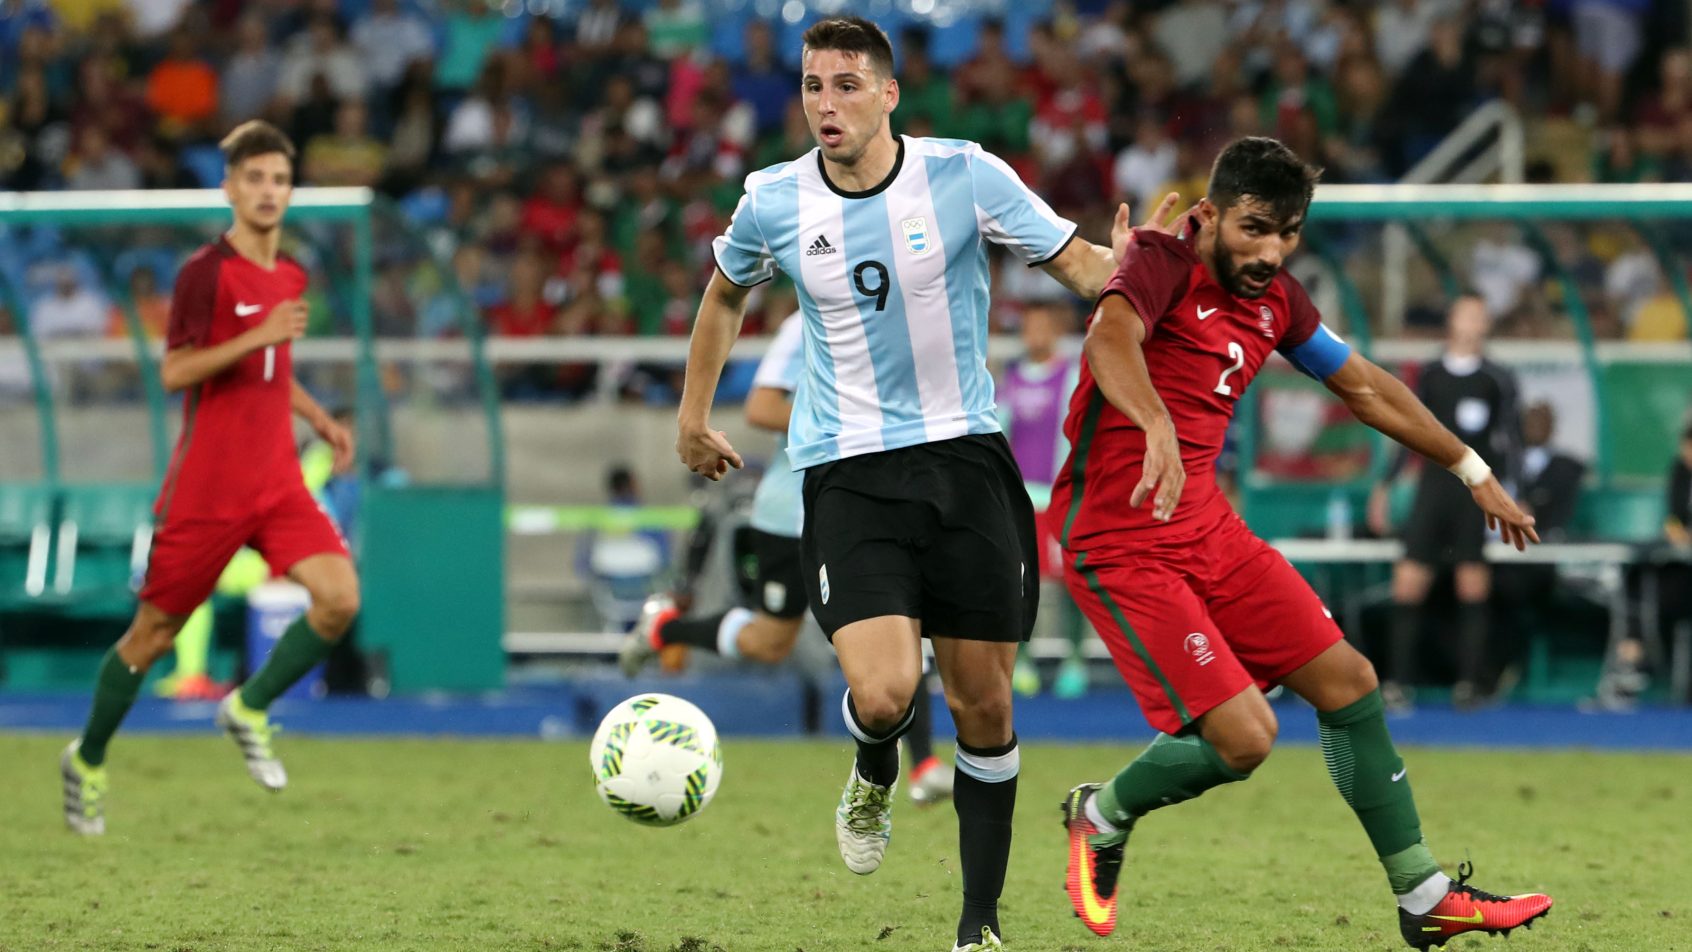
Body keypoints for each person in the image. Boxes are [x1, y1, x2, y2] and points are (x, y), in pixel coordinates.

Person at [671, 17, 1149, 952]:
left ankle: (979, 927)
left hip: (967, 463)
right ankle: (874, 767)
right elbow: (726, 291)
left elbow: (1081, 267)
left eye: (846, 85)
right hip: (848, 475)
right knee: (887, 692)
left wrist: (1139, 265)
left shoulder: (965, 174)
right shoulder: (773, 199)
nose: (825, 105)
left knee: (985, 707)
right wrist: (693, 414)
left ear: (890, 95)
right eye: (813, 87)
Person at [1052, 137, 1553, 948]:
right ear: (1210, 214)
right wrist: (1155, 424)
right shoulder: (1157, 259)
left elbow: (1364, 387)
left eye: (1288, 233)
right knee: (1246, 739)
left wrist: (1471, 467)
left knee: (1350, 681)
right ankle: (1101, 815)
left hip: (1205, 526)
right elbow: (1110, 337)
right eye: (1255, 228)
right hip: (1120, 537)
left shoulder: (1277, 300)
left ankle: (1424, 896)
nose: (1271, 251)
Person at [60, 121, 360, 836]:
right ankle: (89, 757)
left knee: (339, 600)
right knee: (152, 636)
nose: (266, 192)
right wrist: (257, 334)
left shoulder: (290, 272)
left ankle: (247, 706)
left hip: (278, 482)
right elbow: (176, 371)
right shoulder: (205, 274)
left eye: (279, 180)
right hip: (210, 488)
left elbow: (270, 372)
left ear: (291, 191)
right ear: (228, 186)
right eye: (253, 178)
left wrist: (318, 417)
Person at [622, 311, 954, 805]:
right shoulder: (806, 322)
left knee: (902, 625)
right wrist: (853, 421)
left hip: (869, 513)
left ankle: (924, 764)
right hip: (792, 512)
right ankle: (664, 629)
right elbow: (761, 408)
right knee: (769, 641)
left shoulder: (898, 317)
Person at [1369, 295, 1522, 711]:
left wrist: (1512, 496)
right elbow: (1407, 431)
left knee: (1471, 583)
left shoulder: (1498, 377)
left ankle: (1470, 683)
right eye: (1466, 313)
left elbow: (1511, 442)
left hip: (1473, 492)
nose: (1473, 321)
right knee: (1408, 583)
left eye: (1480, 314)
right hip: (1433, 489)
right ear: (1452, 319)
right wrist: (1385, 486)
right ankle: (1399, 682)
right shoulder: (1431, 374)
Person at [996, 301, 1091, 699]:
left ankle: (1075, 660)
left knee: (1069, 580)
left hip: (1059, 497)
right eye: (1028, 328)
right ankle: (1023, 660)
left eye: (1042, 327)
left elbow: (1080, 434)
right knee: (1021, 581)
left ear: (1054, 332)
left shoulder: (1069, 376)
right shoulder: (1012, 378)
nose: (1035, 335)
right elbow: (999, 431)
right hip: (1022, 499)